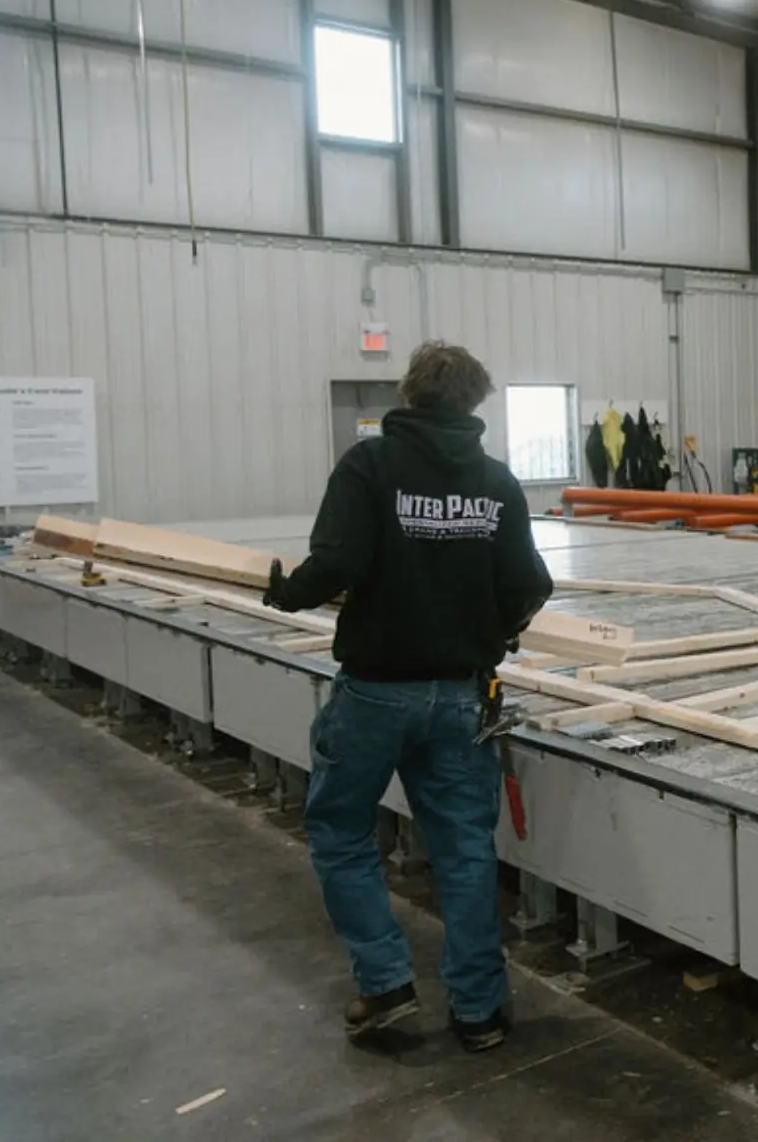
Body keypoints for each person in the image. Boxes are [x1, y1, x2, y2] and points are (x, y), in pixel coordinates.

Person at [264, 342, 553, 1053]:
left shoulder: (369, 466)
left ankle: (387, 983)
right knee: (462, 850)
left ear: (410, 394)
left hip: (375, 694)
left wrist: (287, 593)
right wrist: (499, 630)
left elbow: (337, 560)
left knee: (338, 830)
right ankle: (480, 1011)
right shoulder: (496, 483)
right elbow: (532, 584)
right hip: (459, 697)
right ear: (475, 402)